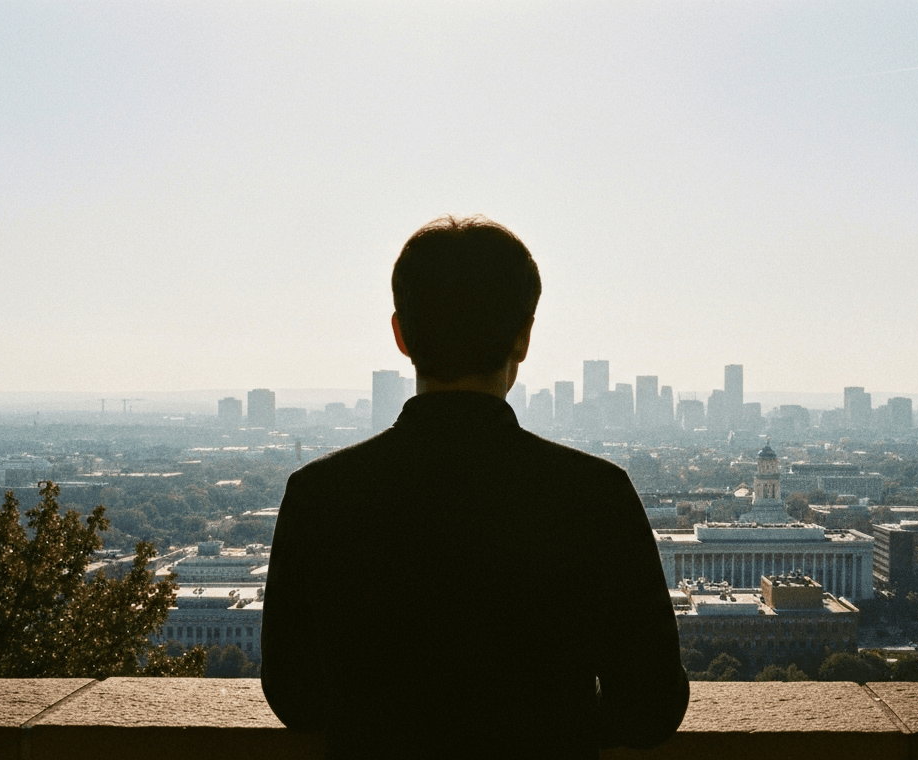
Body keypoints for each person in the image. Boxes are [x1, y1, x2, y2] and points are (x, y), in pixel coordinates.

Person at [261, 216, 689, 758]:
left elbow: (295, 700)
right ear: (523, 337)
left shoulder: (319, 496)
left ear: (400, 334)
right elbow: (651, 707)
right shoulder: (595, 495)